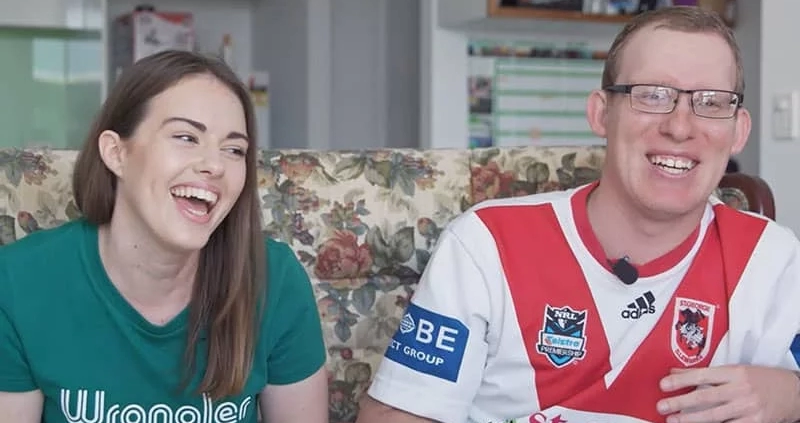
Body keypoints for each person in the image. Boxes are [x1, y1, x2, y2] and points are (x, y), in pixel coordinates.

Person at [357, 6, 800, 423]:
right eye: (652, 96)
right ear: (601, 114)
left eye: (711, 101)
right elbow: (396, 414)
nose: (680, 127)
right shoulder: (487, 244)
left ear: (738, 130)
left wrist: (791, 394)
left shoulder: (771, 258)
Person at [0, 50, 327, 422]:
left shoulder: (275, 280)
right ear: (116, 153)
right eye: (186, 137)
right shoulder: (17, 283)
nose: (215, 165)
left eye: (234, 149)